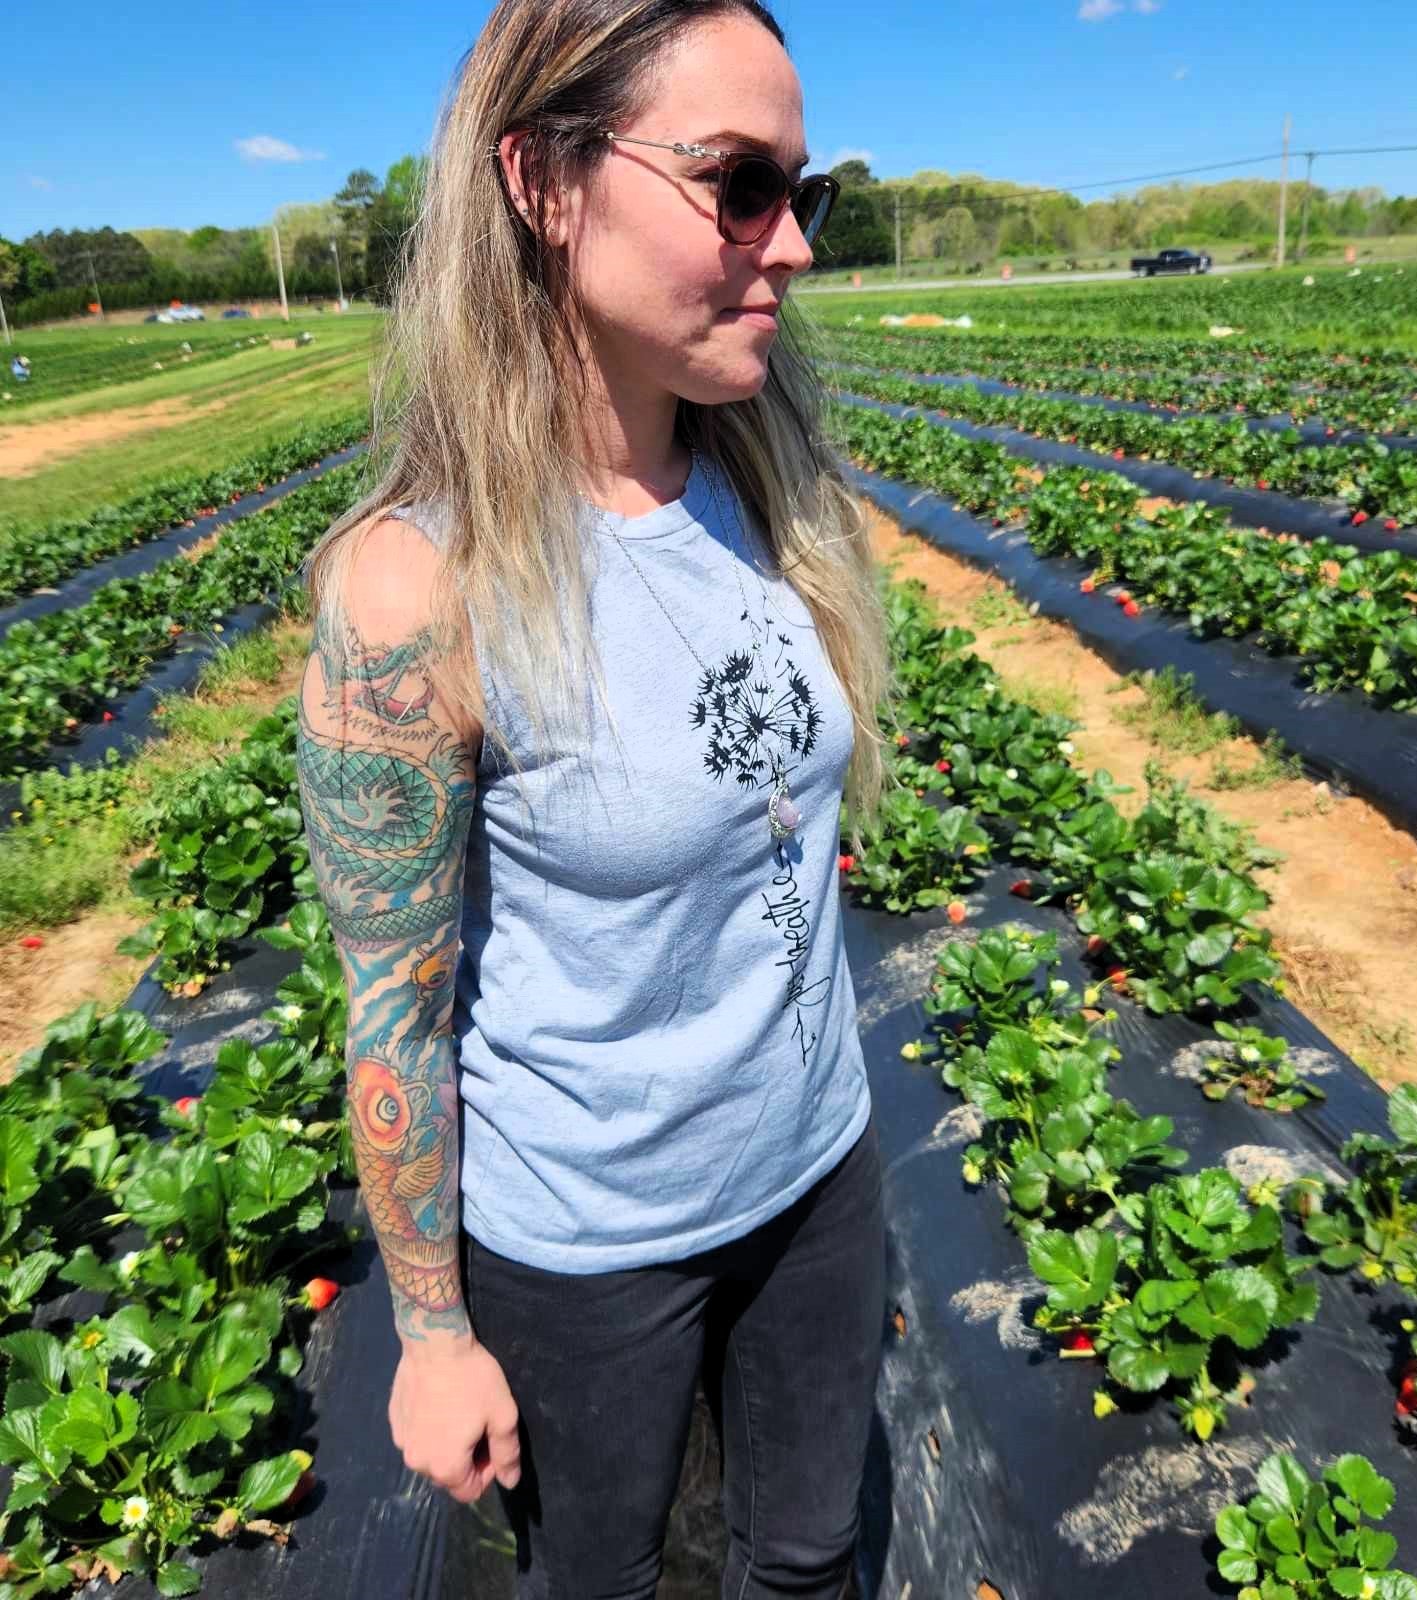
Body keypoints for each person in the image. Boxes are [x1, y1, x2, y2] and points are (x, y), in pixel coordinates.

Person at [294, 3, 892, 1596]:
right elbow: (394, 1009)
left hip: (820, 1167)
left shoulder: (769, 489)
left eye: (804, 195)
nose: (793, 247)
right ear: (545, 182)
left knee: (813, 1555)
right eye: (736, 183)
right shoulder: (414, 595)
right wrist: (429, 1334)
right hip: (590, 1245)